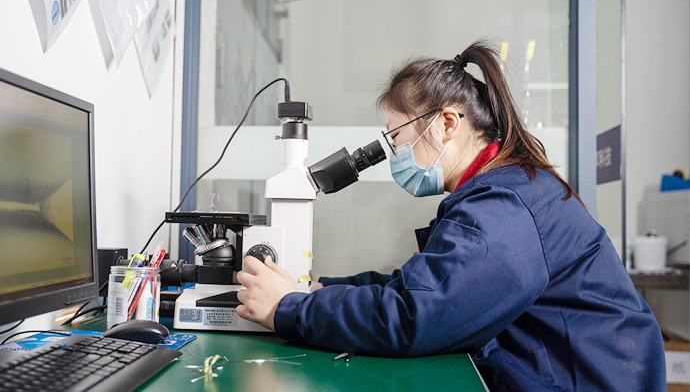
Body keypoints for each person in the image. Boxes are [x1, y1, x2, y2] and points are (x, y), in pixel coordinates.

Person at [235, 40, 666, 391]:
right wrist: (321, 288)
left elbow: (417, 316)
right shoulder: (502, 187)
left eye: (398, 137)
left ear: (446, 124)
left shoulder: (503, 207)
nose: (395, 155)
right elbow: (424, 283)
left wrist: (289, 309)